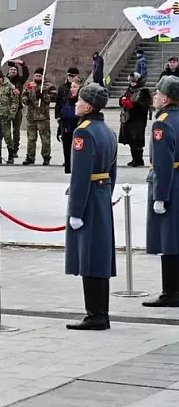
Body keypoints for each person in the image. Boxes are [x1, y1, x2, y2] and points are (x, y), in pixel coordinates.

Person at [64, 83, 116, 331]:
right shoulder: (107, 130)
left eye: (79, 100)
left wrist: (75, 209)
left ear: (88, 105)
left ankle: (95, 314)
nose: (76, 104)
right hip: (102, 196)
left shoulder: (83, 132)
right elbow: (112, 172)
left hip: (88, 199)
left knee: (89, 257)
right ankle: (100, 312)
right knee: (100, 255)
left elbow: (80, 175)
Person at [145, 75, 179, 308]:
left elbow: (163, 163)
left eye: (157, 94)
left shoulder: (163, 123)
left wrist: (160, 196)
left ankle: (171, 292)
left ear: (166, 98)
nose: (155, 97)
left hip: (170, 185)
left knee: (169, 240)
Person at [21, 69, 56, 166]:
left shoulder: (49, 86)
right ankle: (30, 157)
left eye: (39, 76)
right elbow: (23, 96)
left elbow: (53, 97)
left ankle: (46, 157)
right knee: (31, 139)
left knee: (45, 139)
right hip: (31, 117)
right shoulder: (29, 85)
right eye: (36, 75)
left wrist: (43, 96)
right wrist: (26, 99)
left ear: (43, 76)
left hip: (43, 117)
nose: (37, 78)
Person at [119, 73, 152, 167]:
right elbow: (124, 97)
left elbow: (144, 105)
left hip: (138, 119)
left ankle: (138, 159)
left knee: (137, 139)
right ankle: (134, 159)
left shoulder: (144, 91)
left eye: (133, 81)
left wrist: (132, 105)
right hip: (128, 118)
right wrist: (122, 101)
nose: (132, 83)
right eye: (130, 81)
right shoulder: (129, 89)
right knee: (130, 139)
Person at [0, 70, 18, 164]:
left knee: (7, 136)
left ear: (0, 78)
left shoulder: (9, 87)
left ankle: (11, 155)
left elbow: (14, 101)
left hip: (5, 115)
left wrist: (12, 113)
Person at [58, 80, 82, 174]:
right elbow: (63, 116)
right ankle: (68, 171)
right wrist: (59, 131)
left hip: (77, 132)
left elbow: (75, 114)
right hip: (66, 131)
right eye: (71, 87)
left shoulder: (81, 102)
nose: (72, 89)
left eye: (75, 87)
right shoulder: (67, 100)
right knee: (67, 155)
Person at [6, 61, 29, 158]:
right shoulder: (5, 81)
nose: (13, 71)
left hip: (18, 109)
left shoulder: (20, 80)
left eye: (15, 70)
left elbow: (26, 74)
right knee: (6, 131)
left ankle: (15, 149)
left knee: (16, 131)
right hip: (6, 109)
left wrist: (22, 64)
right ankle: (9, 149)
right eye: (11, 69)